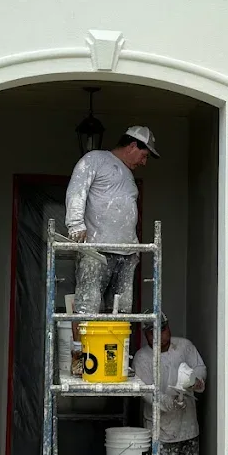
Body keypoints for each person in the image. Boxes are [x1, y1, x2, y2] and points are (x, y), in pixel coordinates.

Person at [65, 125, 159, 316]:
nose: (144, 162)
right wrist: (75, 223)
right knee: (88, 307)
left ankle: (116, 346)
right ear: (132, 145)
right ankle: (85, 347)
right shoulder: (96, 159)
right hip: (97, 249)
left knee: (121, 312)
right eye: (144, 155)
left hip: (126, 253)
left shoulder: (127, 175)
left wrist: (134, 249)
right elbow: (77, 188)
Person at [132, 314, 206, 455]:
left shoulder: (184, 347)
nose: (158, 336)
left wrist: (195, 381)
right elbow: (144, 391)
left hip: (187, 426)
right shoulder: (143, 358)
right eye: (152, 332)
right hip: (160, 428)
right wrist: (166, 401)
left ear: (167, 328)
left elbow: (200, 368)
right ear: (145, 334)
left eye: (162, 330)